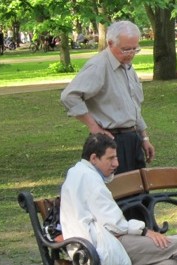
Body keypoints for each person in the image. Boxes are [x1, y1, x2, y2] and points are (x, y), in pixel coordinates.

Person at [60, 134, 177, 265]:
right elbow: (115, 224)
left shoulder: (77, 172)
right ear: (93, 158)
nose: (116, 163)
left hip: (87, 247)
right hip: (99, 247)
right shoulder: (90, 180)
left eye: (116, 158)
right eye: (110, 158)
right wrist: (144, 231)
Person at [61, 20, 155, 175]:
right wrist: (94, 127)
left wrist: (144, 138)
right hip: (111, 141)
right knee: (119, 194)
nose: (131, 54)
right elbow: (69, 96)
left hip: (133, 139)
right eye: (125, 49)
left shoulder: (127, 66)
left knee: (139, 193)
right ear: (110, 43)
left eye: (134, 49)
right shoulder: (98, 66)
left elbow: (133, 107)